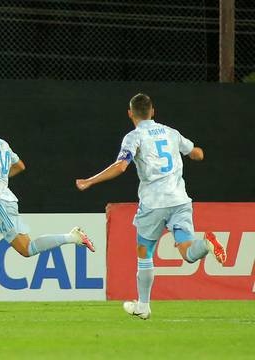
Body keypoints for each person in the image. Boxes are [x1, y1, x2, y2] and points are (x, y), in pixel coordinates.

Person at [75, 93, 226, 319]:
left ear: (130, 114)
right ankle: (206, 243)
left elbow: (120, 166)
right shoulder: (171, 133)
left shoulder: (134, 137)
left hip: (154, 204)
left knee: (144, 253)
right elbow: (197, 153)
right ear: (152, 111)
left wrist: (90, 181)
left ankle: (144, 306)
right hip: (180, 201)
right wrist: (195, 154)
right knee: (188, 253)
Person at [0, 106, 95, 302]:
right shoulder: (2, 143)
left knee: (27, 249)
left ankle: (72, 237)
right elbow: (20, 165)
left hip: (1, 205)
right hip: (0, 203)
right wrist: (0, 180)